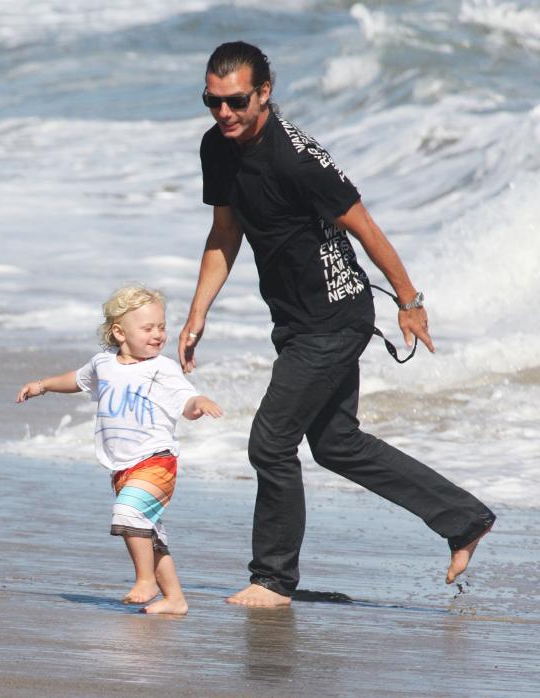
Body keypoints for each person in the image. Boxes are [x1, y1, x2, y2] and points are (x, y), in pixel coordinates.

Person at [179, 41, 495, 607]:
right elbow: (225, 233)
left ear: (264, 93)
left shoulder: (298, 160)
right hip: (295, 320)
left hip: (335, 318)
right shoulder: (217, 148)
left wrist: (409, 299)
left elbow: (366, 228)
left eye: (236, 101)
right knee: (335, 444)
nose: (223, 113)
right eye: (212, 101)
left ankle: (272, 580)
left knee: (270, 443)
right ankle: (463, 519)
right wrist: (197, 314)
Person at [17, 285, 222, 614]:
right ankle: (175, 599)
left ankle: (145, 580)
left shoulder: (162, 368)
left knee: (127, 514)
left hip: (157, 461)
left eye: (161, 327)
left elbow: (185, 398)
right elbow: (77, 380)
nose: (158, 335)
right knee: (149, 532)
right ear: (119, 332)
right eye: (147, 328)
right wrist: (42, 386)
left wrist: (198, 404)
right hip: (122, 468)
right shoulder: (103, 364)